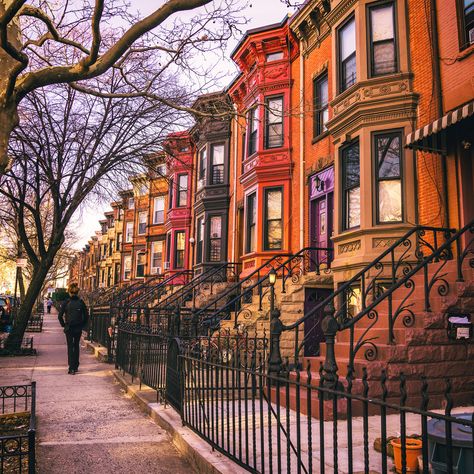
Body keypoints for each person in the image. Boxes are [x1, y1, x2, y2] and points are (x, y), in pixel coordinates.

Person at [58, 283, 89, 374]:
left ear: (69, 292)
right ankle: (75, 366)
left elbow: (60, 316)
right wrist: (82, 325)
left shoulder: (66, 302)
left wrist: (64, 325)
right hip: (78, 328)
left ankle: (71, 367)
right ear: (77, 292)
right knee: (76, 346)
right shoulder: (81, 302)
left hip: (69, 328)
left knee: (70, 347)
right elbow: (86, 316)